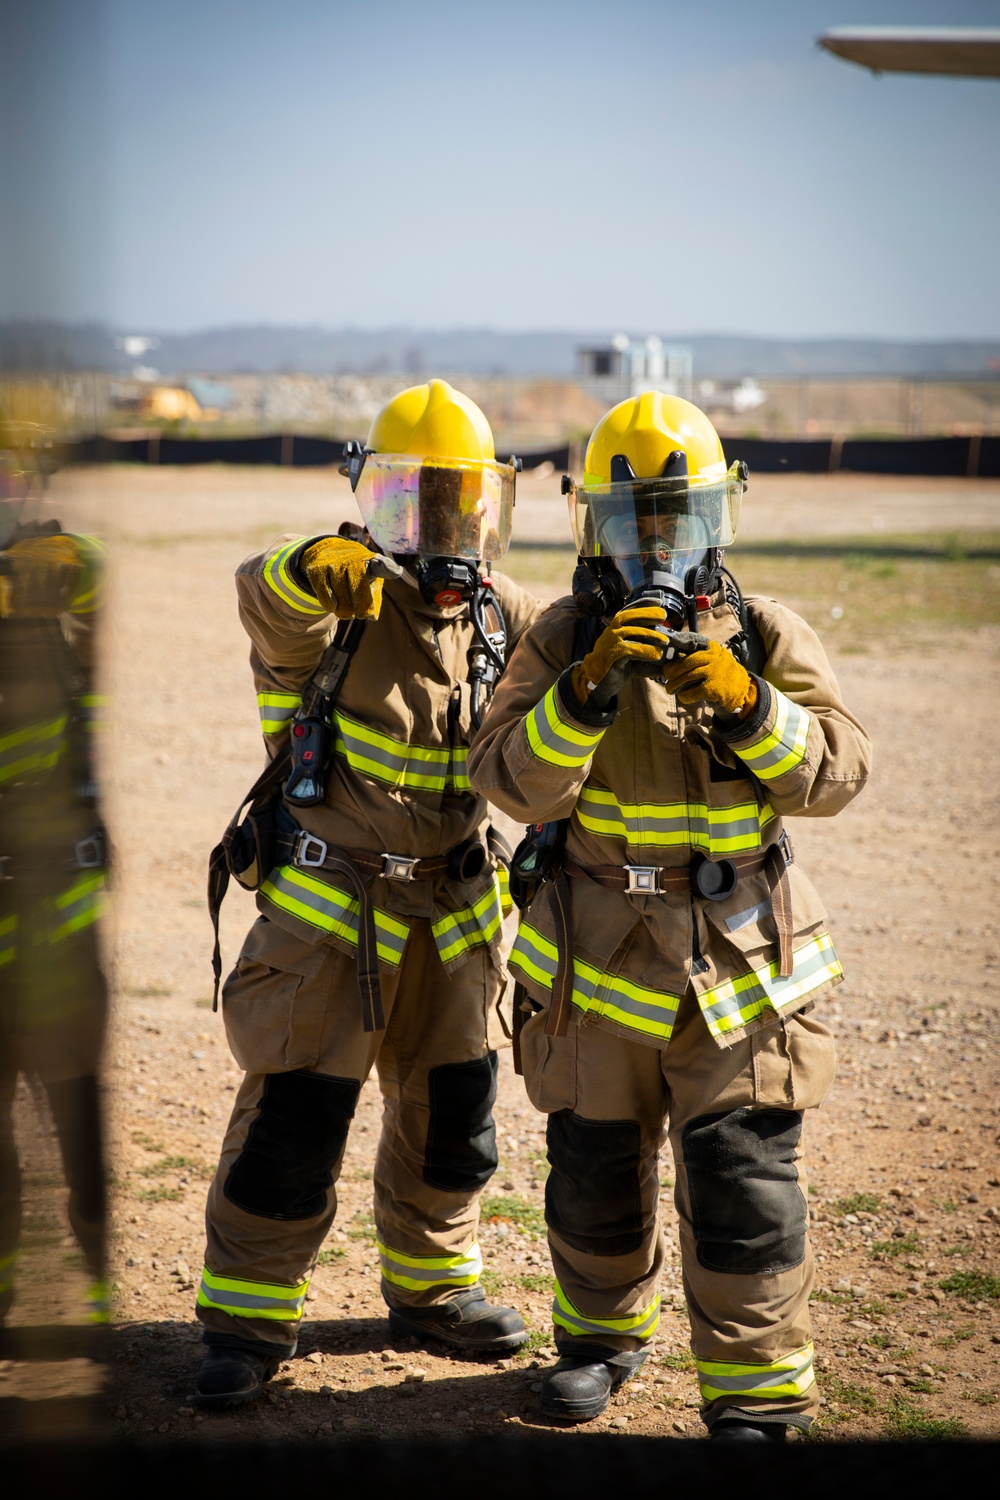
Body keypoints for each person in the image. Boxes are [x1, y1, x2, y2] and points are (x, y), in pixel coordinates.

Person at [467, 392, 872, 1442]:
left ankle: (756, 1393)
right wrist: (587, 690)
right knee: (594, 1177)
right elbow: (512, 783)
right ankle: (598, 1346)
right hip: (593, 980)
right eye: (630, 519)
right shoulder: (561, 637)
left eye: (676, 518)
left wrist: (749, 704)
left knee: (744, 1185)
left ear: (714, 522)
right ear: (592, 524)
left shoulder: (767, 631)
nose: (653, 543)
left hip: (740, 976)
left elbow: (834, 775)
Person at [194, 379, 542, 1409]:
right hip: (329, 926)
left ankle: (434, 1289)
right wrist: (308, 563)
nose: (439, 533)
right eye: (413, 505)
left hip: (457, 922)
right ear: (375, 505)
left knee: (454, 1124)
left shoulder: (508, 615)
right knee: (292, 1125)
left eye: (458, 504)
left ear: (488, 510)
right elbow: (267, 597)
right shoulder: (339, 603)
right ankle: (247, 1319)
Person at [0, 424, 110, 1332]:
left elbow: (89, 573)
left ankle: (98, 1264)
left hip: (56, 908)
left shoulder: (61, 567)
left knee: (74, 1100)